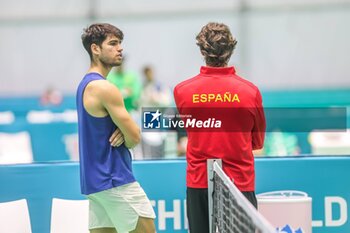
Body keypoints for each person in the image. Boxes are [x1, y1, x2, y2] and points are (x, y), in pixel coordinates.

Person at [173, 22, 266, 233]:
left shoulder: (182, 91)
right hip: (240, 184)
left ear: (202, 50)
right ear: (231, 50)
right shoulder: (250, 92)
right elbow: (257, 143)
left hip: (198, 182)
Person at [77, 23, 156, 233]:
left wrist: (123, 130)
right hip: (115, 179)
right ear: (95, 49)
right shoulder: (105, 87)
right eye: (112, 43)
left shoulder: (84, 85)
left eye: (120, 43)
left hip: (95, 184)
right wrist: (126, 131)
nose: (120, 48)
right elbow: (135, 138)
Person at [140, 65, 172, 158]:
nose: (148, 75)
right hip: (147, 119)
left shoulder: (160, 86)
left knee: (159, 146)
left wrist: (156, 98)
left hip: (159, 119)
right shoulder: (142, 87)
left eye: (149, 72)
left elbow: (167, 101)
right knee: (148, 148)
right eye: (146, 73)